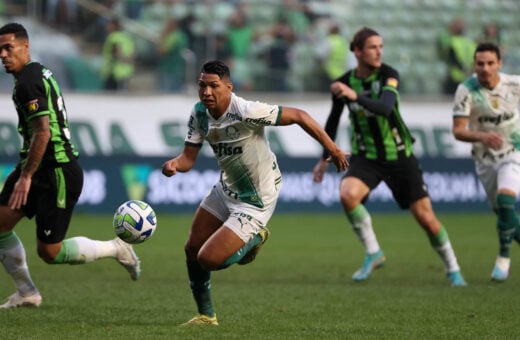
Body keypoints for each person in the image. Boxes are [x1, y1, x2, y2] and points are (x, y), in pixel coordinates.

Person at [161, 60, 348, 326]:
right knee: (192, 248)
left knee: (208, 259)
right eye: (202, 85)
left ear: (228, 87)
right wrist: (174, 165)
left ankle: (256, 237)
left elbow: (300, 116)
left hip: (257, 198)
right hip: (226, 189)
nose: (206, 92)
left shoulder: (247, 111)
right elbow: (188, 159)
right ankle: (207, 316)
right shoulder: (199, 113)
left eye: (213, 86)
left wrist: (333, 149)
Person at [0, 22, 141, 309]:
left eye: (8, 48)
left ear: (25, 46)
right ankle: (27, 292)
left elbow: (43, 132)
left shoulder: (29, 81)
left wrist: (26, 176)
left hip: (56, 171)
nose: (2, 54)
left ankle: (115, 248)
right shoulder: (37, 72)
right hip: (36, 166)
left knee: (49, 252)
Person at [312, 27, 467, 287]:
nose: (379, 51)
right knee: (347, 194)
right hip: (367, 157)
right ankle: (374, 252)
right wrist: (324, 157)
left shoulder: (388, 75)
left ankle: (453, 268)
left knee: (426, 218)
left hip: (399, 156)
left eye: (381, 46)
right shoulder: (344, 82)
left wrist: (355, 96)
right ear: (358, 51)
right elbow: (333, 121)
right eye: (373, 47)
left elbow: (385, 108)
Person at [452, 42, 520, 282]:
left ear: (499, 64)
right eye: (480, 63)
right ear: (474, 65)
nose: (485, 68)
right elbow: (458, 131)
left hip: (514, 152)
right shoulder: (466, 90)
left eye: (490, 63)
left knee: (506, 200)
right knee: (504, 213)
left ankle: (503, 257)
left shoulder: (514, 84)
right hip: (485, 160)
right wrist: (483, 136)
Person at [437, 18, 476, 95]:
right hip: (464, 75)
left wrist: (465, 69)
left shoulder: (454, 41)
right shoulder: (469, 42)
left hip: (457, 75)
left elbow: (452, 57)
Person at [100, 18, 135, 91]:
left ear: (114, 26)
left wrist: (121, 59)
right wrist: (128, 61)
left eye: (108, 25)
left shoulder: (113, 37)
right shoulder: (127, 37)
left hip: (114, 73)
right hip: (126, 72)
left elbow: (117, 52)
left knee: (111, 98)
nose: (107, 27)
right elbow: (132, 55)